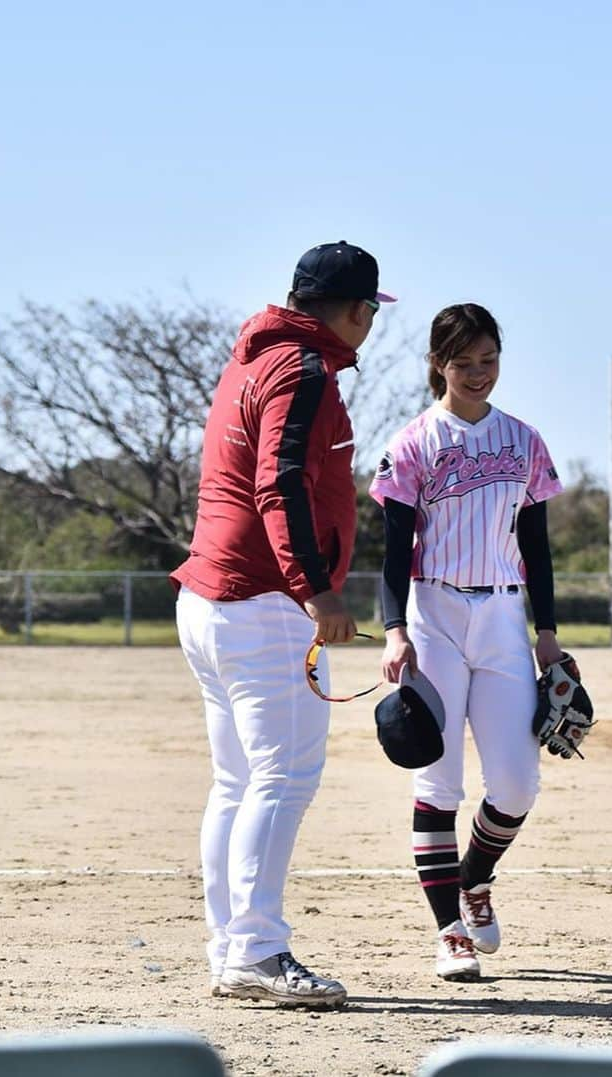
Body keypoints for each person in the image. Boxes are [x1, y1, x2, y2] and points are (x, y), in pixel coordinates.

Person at [170, 241, 395, 1008]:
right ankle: (258, 951)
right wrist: (318, 592)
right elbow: (278, 487)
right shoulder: (300, 371)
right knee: (284, 776)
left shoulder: (257, 356)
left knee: (239, 779)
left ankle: (233, 945)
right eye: (371, 309)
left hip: (213, 596)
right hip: (261, 601)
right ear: (357, 310)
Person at [369, 302, 564, 981]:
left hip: (506, 616)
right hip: (435, 613)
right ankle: (449, 929)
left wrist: (548, 633)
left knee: (516, 780)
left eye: (489, 359)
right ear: (437, 364)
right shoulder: (413, 442)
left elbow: (535, 548)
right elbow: (393, 552)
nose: (479, 373)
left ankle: (474, 881)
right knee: (439, 777)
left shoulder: (525, 441)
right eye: (463, 362)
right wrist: (395, 629)